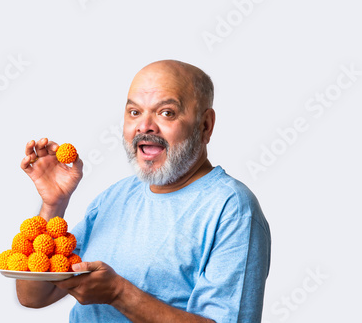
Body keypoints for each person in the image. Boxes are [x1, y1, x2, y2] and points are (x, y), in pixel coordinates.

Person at [16, 60, 271, 322]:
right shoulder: (115, 197)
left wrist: (118, 293)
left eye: (166, 113)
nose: (144, 126)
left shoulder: (232, 209)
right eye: (135, 112)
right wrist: (54, 205)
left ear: (205, 125)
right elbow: (35, 295)